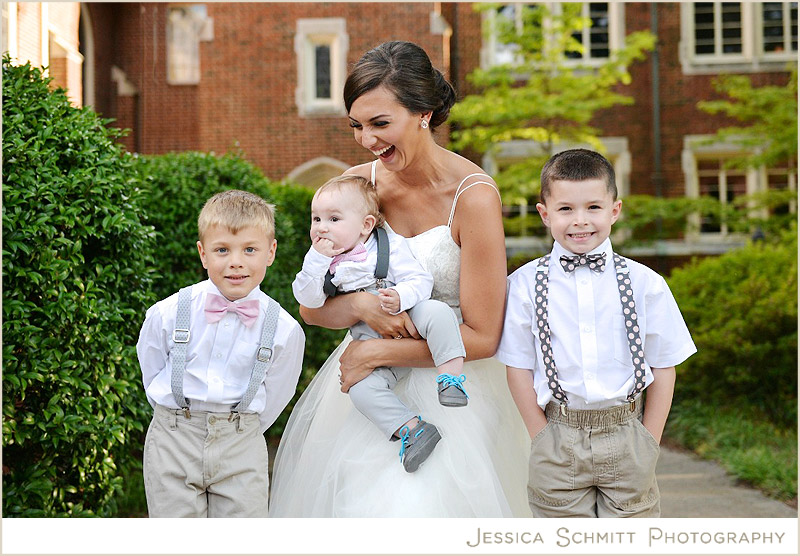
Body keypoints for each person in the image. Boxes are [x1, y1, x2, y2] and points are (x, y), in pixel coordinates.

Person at [269, 40, 530, 517]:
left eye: (380, 124)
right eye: (356, 125)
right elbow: (311, 307)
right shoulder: (354, 189)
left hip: (454, 387)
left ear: (424, 113)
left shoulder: (472, 196)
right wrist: (359, 308)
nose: (367, 139)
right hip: (369, 396)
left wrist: (375, 350)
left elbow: (486, 335)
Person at [496, 149, 697, 518]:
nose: (580, 221)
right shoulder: (523, 285)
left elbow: (664, 365)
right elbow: (518, 366)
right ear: (544, 214)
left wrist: (649, 439)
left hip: (628, 433)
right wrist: (539, 435)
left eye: (593, 207)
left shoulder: (646, 284)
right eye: (566, 209)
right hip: (557, 437)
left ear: (614, 211)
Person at [136, 189, 305, 518]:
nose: (236, 261)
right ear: (203, 254)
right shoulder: (169, 313)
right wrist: (175, 417)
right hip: (174, 439)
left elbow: (278, 393)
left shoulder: (283, 329)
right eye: (222, 250)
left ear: (270, 252)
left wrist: (239, 425)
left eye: (250, 249)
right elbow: (152, 365)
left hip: (241, 442)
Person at [292, 174, 470, 472]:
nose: (321, 227)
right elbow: (309, 302)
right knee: (360, 390)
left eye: (333, 219)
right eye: (316, 219)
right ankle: (412, 429)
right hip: (369, 337)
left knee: (438, 313)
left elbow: (420, 280)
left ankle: (450, 378)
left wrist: (401, 296)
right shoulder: (322, 262)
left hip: (408, 314)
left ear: (365, 225)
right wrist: (316, 262)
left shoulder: (388, 246)